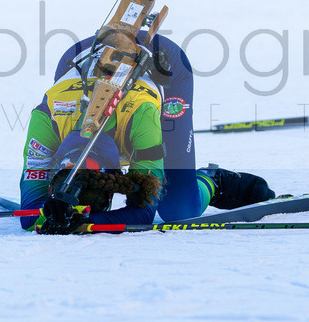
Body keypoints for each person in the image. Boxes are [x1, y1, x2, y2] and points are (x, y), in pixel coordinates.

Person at [19, 22, 274, 234]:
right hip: (78, 57)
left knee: (178, 209)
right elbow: (29, 214)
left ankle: (210, 180)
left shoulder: (141, 118)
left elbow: (144, 212)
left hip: (163, 63)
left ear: (117, 178)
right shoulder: (45, 120)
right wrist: (50, 209)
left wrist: (86, 222)